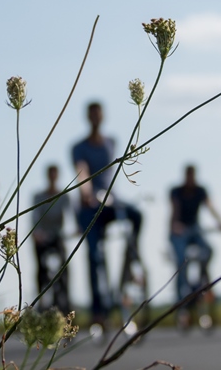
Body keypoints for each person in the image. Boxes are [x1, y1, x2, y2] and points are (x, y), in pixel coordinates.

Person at [72, 101, 144, 326]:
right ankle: (98, 311)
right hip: (89, 205)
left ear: (102, 116)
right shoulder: (78, 147)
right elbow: (81, 170)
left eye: (98, 114)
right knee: (94, 256)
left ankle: (131, 258)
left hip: (110, 200)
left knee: (137, 215)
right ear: (87, 117)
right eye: (91, 114)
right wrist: (86, 192)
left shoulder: (111, 142)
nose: (95, 117)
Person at [169, 164, 221, 322]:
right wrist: (175, 225)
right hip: (179, 230)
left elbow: (209, 206)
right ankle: (182, 304)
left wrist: (220, 221)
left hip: (195, 230)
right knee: (181, 261)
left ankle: (202, 277)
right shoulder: (176, 191)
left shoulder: (201, 191)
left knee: (208, 249)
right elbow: (175, 210)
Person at [29, 164, 72, 314]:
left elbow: (71, 216)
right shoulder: (38, 196)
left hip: (57, 237)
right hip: (42, 238)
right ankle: (41, 302)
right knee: (41, 269)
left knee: (64, 269)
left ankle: (65, 305)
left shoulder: (64, 196)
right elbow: (34, 218)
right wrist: (37, 233)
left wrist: (76, 229)